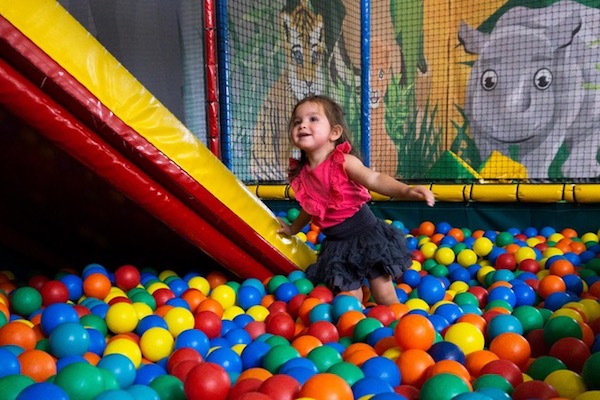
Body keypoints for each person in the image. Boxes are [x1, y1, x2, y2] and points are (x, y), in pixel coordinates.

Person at [277, 95, 435, 305]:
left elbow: (375, 179)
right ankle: (361, 331)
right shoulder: (302, 175)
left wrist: (406, 190)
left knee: (384, 294)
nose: (303, 125)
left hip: (367, 236)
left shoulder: (343, 162)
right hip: (336, 245)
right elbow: (311, 208)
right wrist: (293, 228)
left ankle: (397, 323)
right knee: (348, 301)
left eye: (313, 119)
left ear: (334, 132)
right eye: (297, 122)